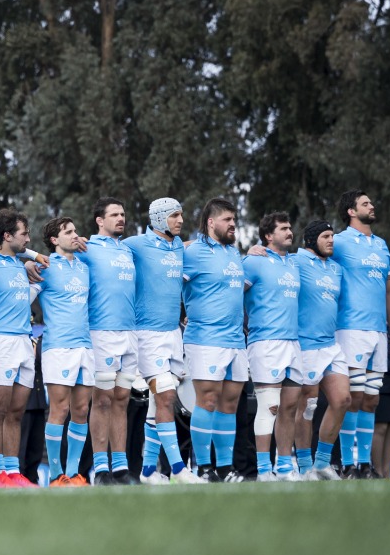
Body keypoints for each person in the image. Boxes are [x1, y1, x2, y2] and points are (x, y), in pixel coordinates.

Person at [124, 198, 200, 484]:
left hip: (172, 335)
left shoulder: (178, 245)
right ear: (158, 219)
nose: (180, 220)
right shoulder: (136, 245)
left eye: (181, 215)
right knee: (166, 396)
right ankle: (179, 470)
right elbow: (101, 250)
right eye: (174, 216)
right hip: (147, 335)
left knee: (159, 404)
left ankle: (146, 472)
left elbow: (195, 244)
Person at [330, 190, 390, 479]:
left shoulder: (382, 245)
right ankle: (349, 463)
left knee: (372, 400)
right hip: (350, 329)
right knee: (355, 397)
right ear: (351, 211)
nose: (372, 206)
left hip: (378, 333)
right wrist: (264, 250)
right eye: (365, 203)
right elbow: (309, 256)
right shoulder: (339, 241)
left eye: (371, 202)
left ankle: (364, 464)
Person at [182, 198, 247, 482]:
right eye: (227, 220)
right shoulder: (192, 251)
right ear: (211, 222)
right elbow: (170, 284)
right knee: (207, 401)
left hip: (236, 340)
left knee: (229, 405)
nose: (233, 224)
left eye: (234, 219)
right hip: (205, 339)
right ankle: (204, 468)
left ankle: (224, 468)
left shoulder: (234, 253)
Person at [82, 198, 138, 486]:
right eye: (114, 214)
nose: (120, 218)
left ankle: (121, 468)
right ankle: (100, 469)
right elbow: (55, 258)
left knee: (122, 401)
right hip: (101, 333)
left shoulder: (128, 249)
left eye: (123, 214)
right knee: (101, 401)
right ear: (99, 221)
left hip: (130, 334)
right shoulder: (86, 247)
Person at [242, 212, 301, 481]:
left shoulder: (295, 263)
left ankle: (285, 466)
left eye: (290, 228)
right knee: (269, 407)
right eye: (283, 228)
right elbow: (233, 294)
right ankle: (264, 469)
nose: (289, 232)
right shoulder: (254, 261)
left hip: (293, 343)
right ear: (268, 235)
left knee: (290, 407)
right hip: (265, 342)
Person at [0, 209, 37, 488]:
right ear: (6, 236)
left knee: (17, 412)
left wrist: (31, 259)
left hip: (24, 342)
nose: (29, 239)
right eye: (24, 234)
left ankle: (13, 472)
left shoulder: (20, 264)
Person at [292, 220, 350, 480]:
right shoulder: (297, 261)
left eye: (333, 236)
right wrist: (258, 250)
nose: (331, 241)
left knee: (342, 400)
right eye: (326, 236)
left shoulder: (336, 269)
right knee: (307, 406)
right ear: (311, 239)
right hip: (305, 345)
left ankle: (322, 462)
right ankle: (304, 468)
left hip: (331, 344)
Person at [38, 216, 92, 487]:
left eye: (75, 230)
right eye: (68, 232)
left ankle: (74, 474)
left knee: (81, 409)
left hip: (86, 346)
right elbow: (23, 297)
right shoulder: (44, 266)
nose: (75, 235)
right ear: (54, 240)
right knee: (59, 409)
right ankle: (55, 474)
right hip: (58, 346)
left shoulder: (85, 267)